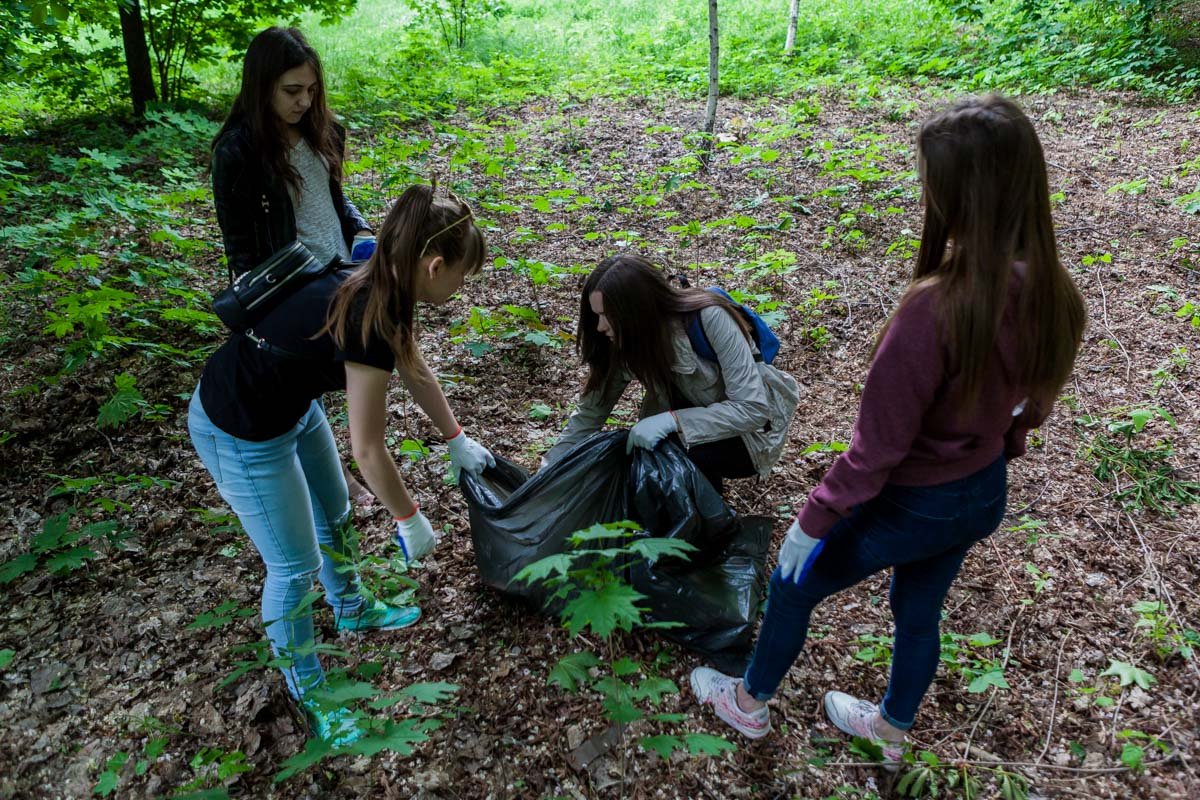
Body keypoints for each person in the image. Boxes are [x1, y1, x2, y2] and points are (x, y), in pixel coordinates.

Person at [690, 94, 1087, 762]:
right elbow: (1031, 406)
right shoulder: (1055, 292)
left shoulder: (936, 309)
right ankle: (891, 729)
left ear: (962, 195)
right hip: (982, 490)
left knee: (791, 585)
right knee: (919, 608)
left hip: (914, 500)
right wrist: (994, 451)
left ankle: (748, 704)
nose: (925, 192)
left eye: (931, 180)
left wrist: (814, 519)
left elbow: (877, 450)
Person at [187, 183, 493, 743]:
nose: (461, 286)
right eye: (461, 276)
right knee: (293, 567)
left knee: (334, 511)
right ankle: (310, 693)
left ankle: (350, 606)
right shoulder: (369, 311)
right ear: (434, 266)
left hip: (293, 406)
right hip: (240, 429)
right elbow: (368, 449)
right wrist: (409, 519)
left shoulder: (386, 278)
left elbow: (412, 365)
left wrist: (456, 438)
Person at [210, 25, 377, 507]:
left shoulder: (324, 131)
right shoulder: (238, 152)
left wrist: (362, 231)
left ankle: (334, 475)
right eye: (291, 91)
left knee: (326, 376)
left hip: (338, 267)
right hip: (292, 285)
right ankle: (325, 479)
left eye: (311, 89)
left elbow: (333, 199)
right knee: (302, 376)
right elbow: (240, 247)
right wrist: (261, 311)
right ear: (261, 85)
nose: (304, 101)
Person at [541, 254, 800, 493]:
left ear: (635, 311)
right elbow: (590, 414)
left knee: (670, 457)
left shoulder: (710, 318)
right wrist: (547, 473)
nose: (600, 326)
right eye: (596, 315)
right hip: (689, 434)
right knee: (632, 461)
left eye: (607, 315)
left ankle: (709, 522)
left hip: (750, 441)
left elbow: (753, 409)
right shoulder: (624, 340)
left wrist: (672, 421)